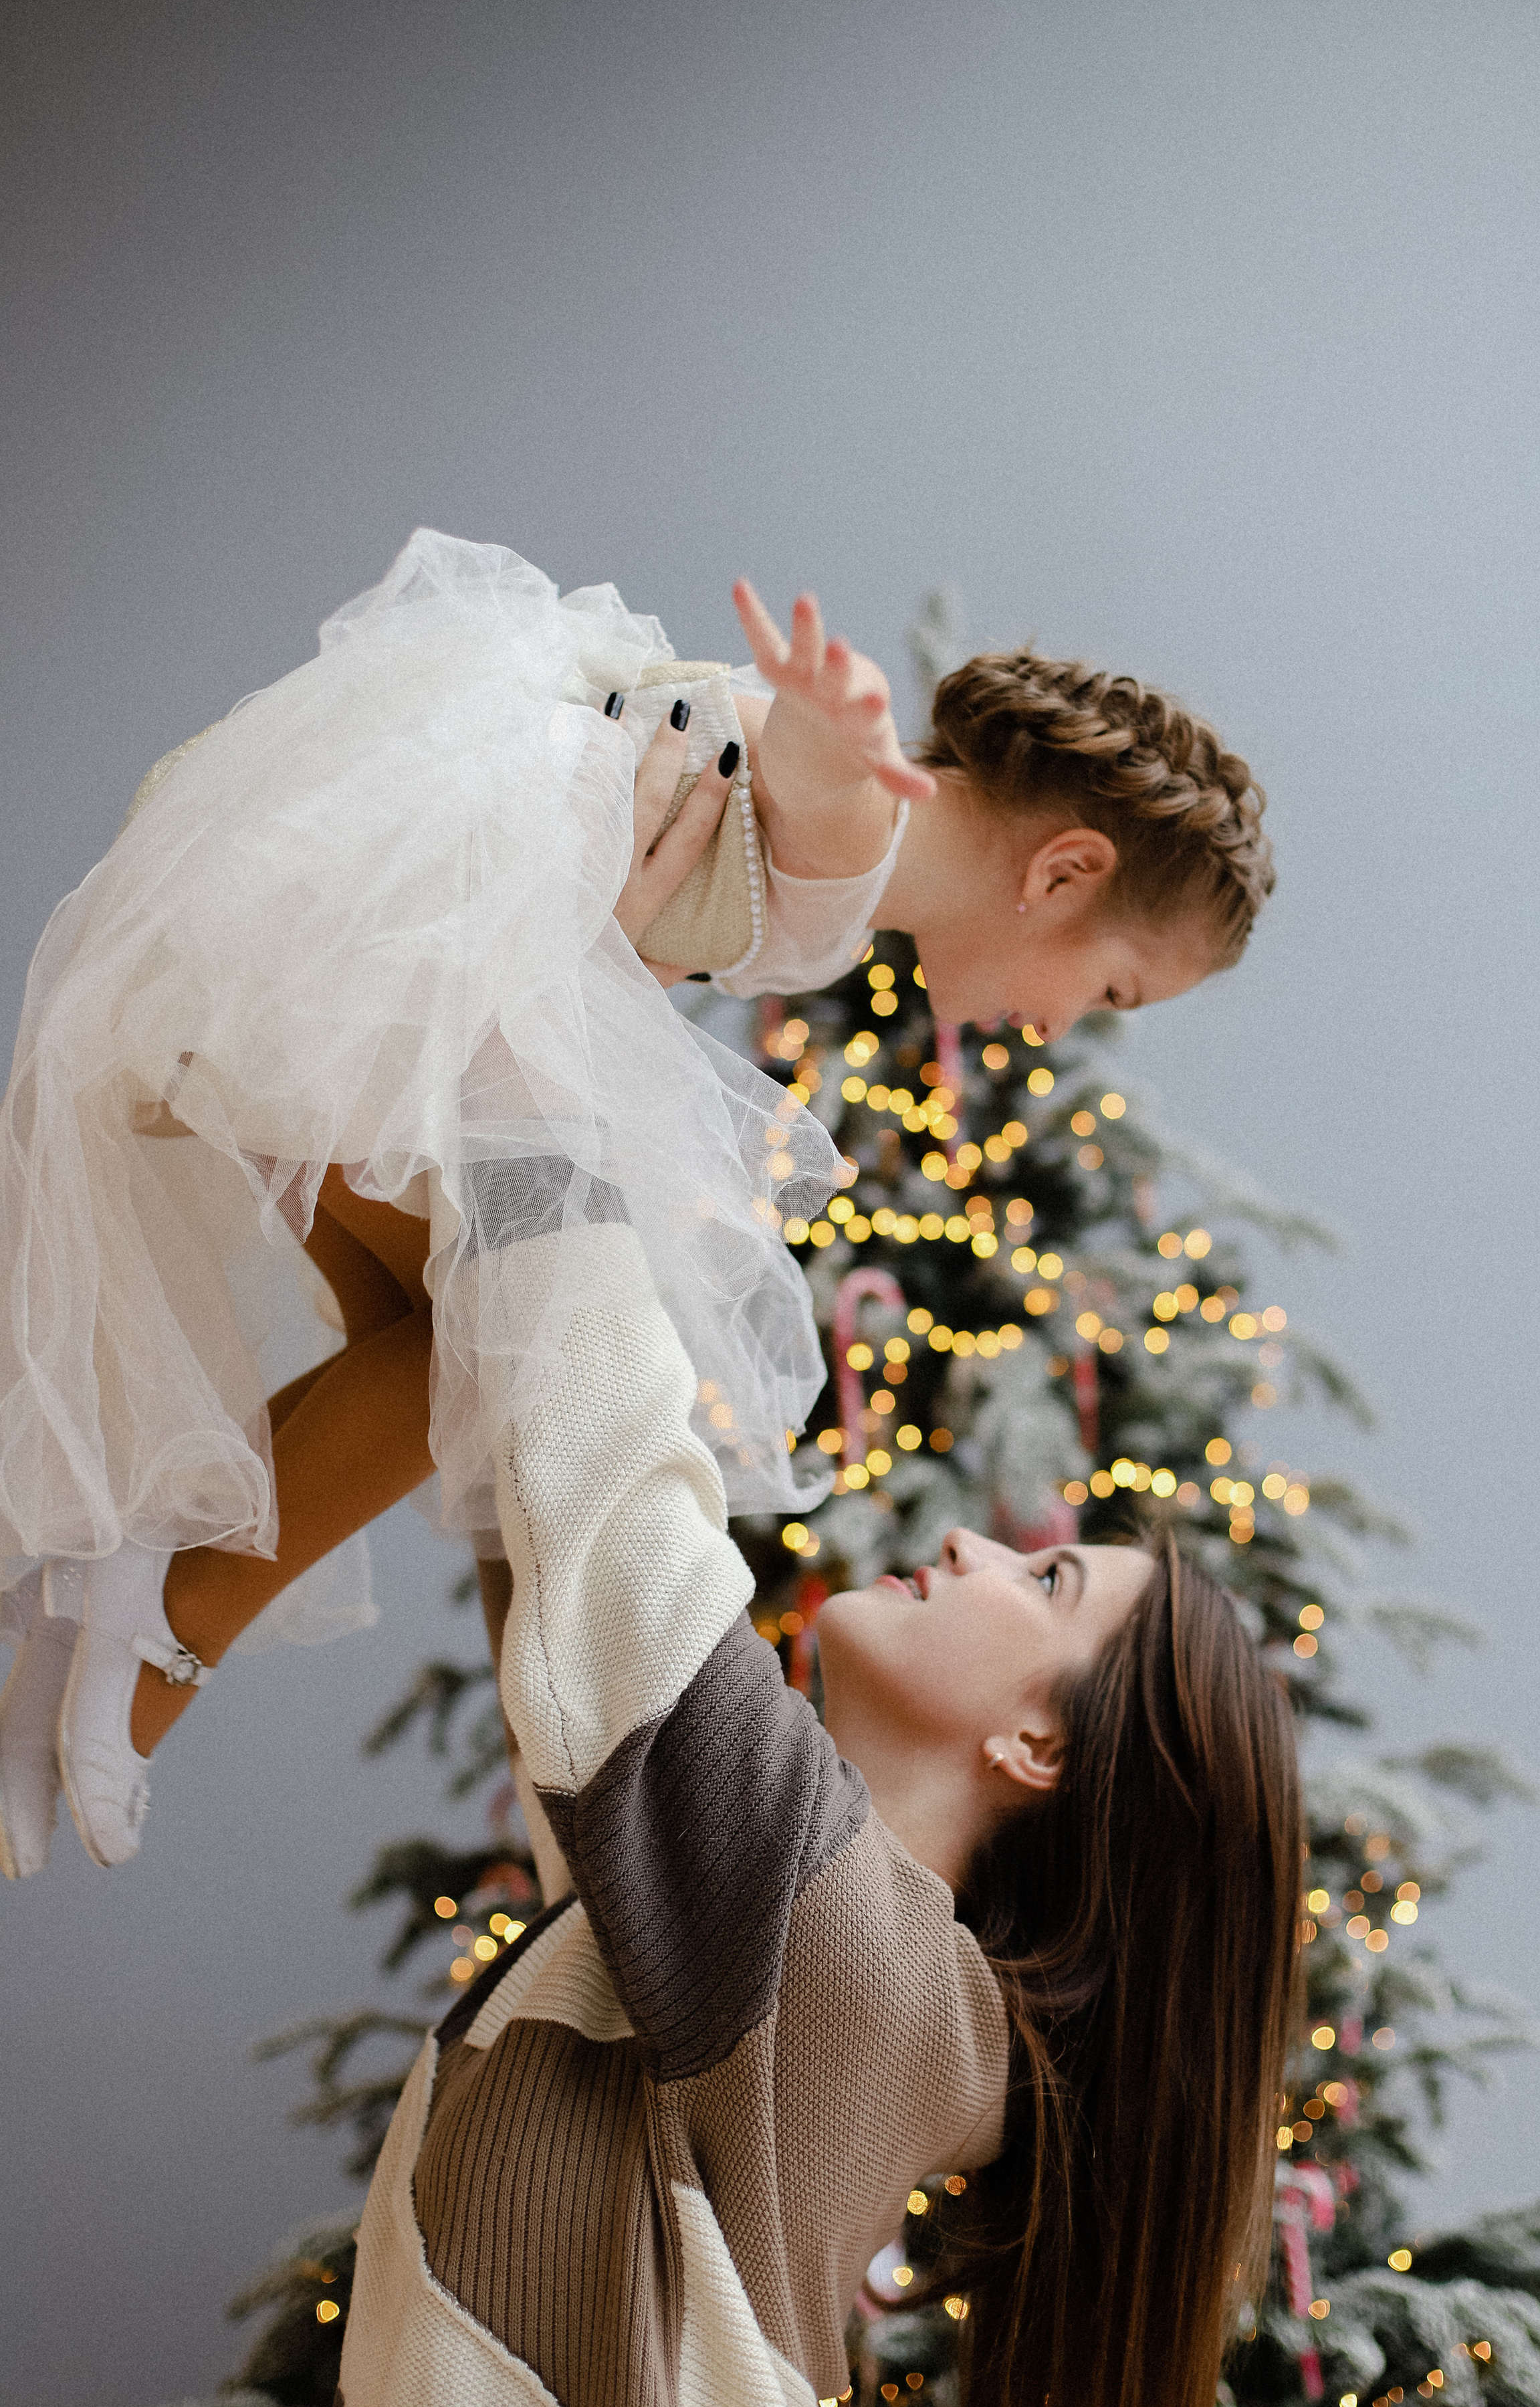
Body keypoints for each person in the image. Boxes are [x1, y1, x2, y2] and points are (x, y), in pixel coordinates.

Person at [0, 530, 1272, 1877]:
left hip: (346, 947)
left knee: (458, 1355)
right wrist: (828, 736)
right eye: (1114, 991)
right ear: (1064, 873)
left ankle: (98, 1631)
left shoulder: (855, 880)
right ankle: (152, 1627)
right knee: (484, 1357)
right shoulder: (868, 834)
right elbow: (808, 785)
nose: (1075, 1025)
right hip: (369, 957)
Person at [304, 1221, 1303, 2407]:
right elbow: (539, 1516)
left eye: (1044, 1578)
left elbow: (611, 1497)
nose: (968, 1544)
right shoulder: (765, 1957)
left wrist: (537, 1093)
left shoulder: (833, 1955)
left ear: (1041, 1748)